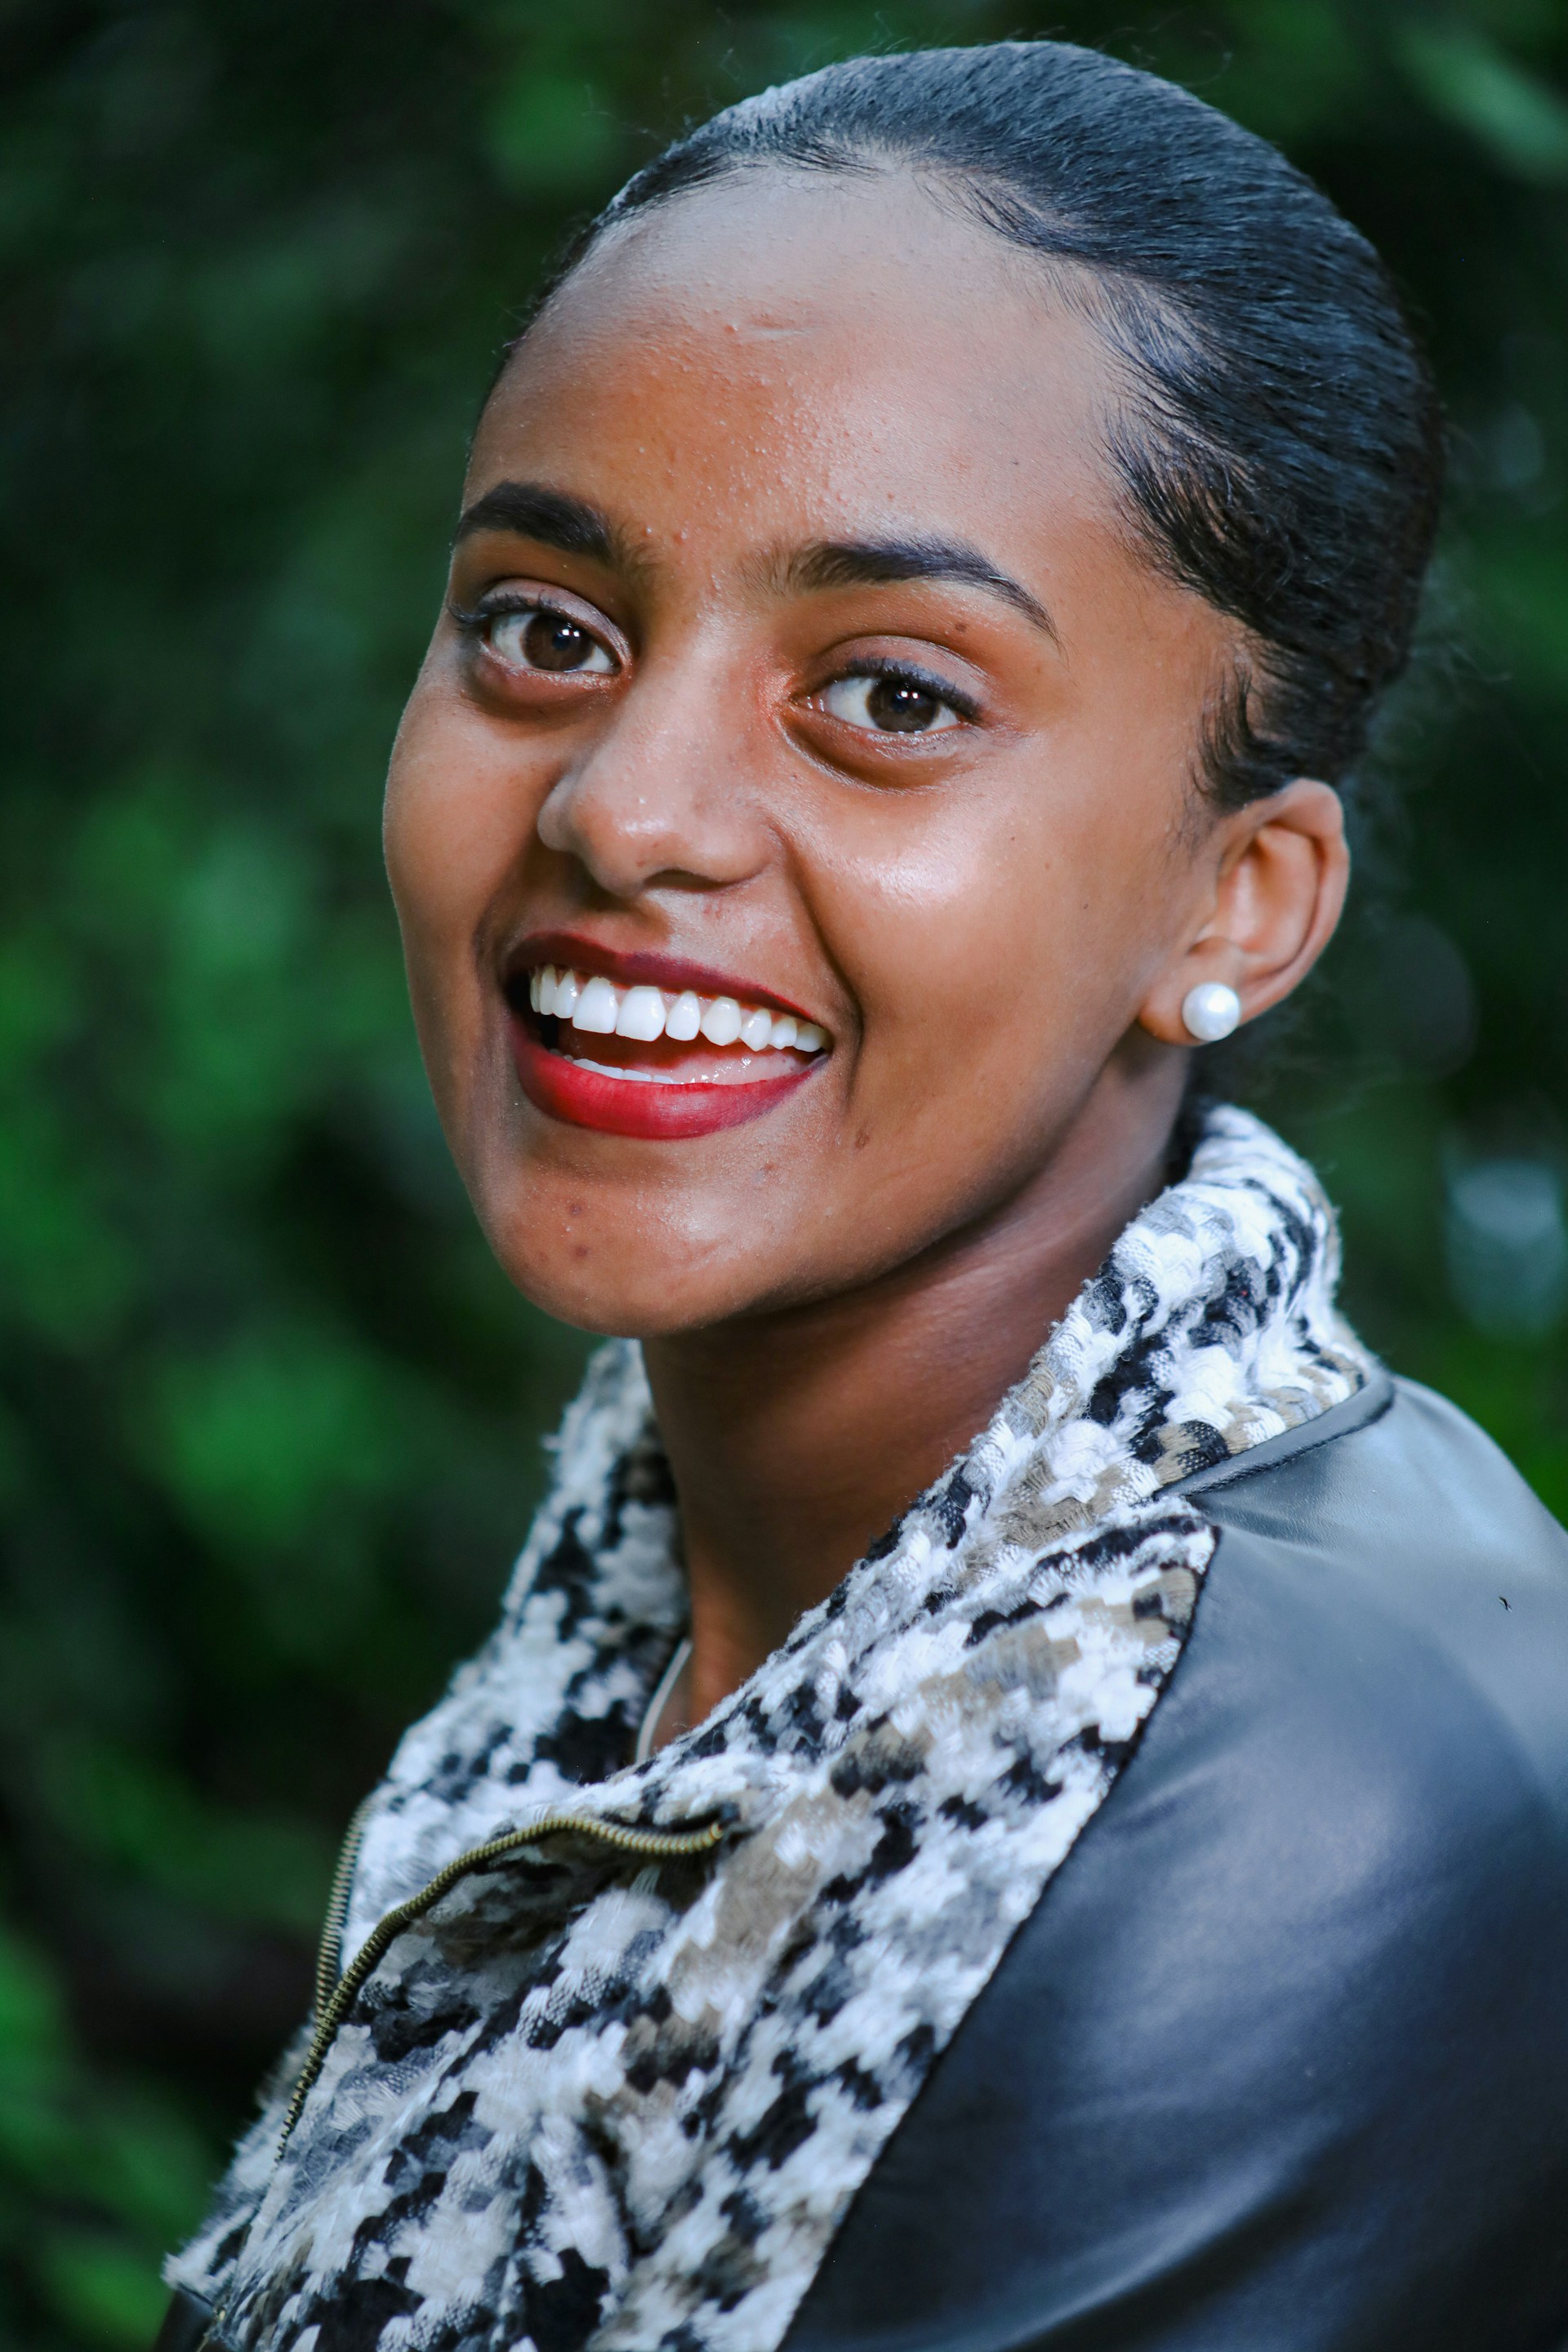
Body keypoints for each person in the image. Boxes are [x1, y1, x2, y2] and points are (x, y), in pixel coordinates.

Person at [155, 39, 1568, 2352]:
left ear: (1244, 899)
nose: (628, 809)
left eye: (892, 697)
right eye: (545, 629)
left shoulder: (1298, 1808)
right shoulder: (689, 1583)